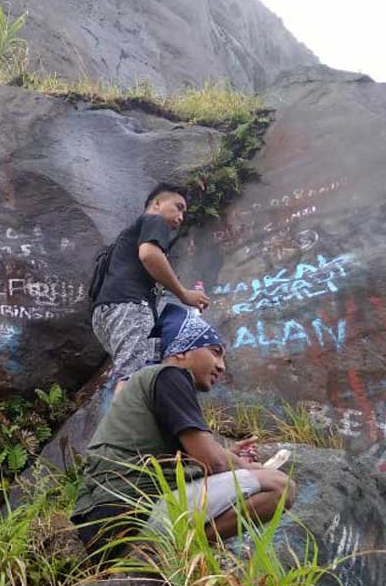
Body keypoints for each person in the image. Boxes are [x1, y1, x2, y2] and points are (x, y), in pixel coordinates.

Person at [72, 304, 296, 556]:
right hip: (131, 519)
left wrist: (228, 456)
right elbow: (215, 463)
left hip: (102, 528)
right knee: (279, 486)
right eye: (215, 352)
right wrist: (251, 468)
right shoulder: (170, 375)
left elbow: (196, 462)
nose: (221, 366)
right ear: (181, 352)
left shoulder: (147, 382)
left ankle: (159, 550)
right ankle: (170, 553)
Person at [91, 183, 210, 389]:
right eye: (178, 207)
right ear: (156, 204)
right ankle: (126, 421)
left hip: (104, 313)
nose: (181, 217)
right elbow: (148, 254)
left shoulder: (126, 238)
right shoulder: (154, 220)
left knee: (137, 372)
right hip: (130, 306)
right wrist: (184, 294)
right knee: (134, 377)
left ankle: (134, 419)